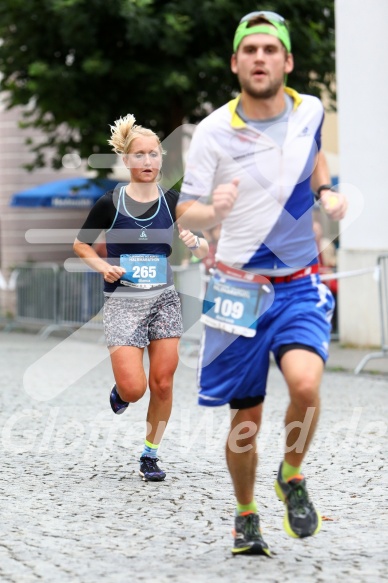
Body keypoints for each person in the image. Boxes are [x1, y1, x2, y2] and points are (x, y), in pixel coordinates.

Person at [176, 10, 348, 555]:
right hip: (236, 289)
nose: (259, 57)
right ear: (235, 63)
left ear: (287, 61)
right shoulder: (212, 133)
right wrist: (212, 210)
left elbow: (314, 152)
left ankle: (291, 474)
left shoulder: (310, 110)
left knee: (305, 385)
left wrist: (325, 193)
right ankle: (246, 513)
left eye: (270, 49)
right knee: (244, 419)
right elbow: (185, 215)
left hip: (298, 281)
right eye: (249, 50)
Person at [73, 114, 208, 482]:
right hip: (123, 302)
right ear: (127, 160)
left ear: (161, 159)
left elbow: (201, 241)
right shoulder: (109, 202)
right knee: (135, 388)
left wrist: (197, 243)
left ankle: (150, 453)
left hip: (163, 300)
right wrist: (103, 266)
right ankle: (122, 391)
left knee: (163, 381)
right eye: (139, 155)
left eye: (153, 154)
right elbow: (80, 244)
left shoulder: (173, 201)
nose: (147, 161)